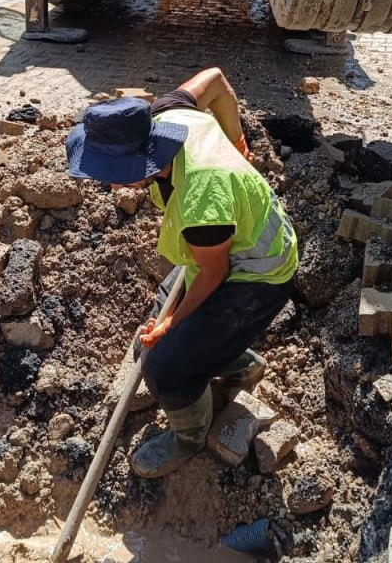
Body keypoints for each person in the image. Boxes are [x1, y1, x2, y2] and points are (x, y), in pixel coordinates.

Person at [65, 67, 298, 478]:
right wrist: (236, 138)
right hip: (231, 243)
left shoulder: (201, 200)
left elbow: (213, 274)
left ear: (141, 164)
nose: (110, 186)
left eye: (112, 175)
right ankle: (235, 361)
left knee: (163, 366)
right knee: (158, 332)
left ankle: (189, 436)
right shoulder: (167, 114)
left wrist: (173, 323)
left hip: (259, 274)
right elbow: (215, 79)